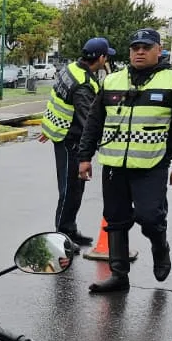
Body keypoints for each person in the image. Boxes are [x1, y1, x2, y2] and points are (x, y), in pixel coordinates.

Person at [78, 29, 172, 294]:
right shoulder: (112, 81)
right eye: (135, 47)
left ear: (159, 50)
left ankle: (160, 246)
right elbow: (94, 122)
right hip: (114, 165)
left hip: (151, 164)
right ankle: (119, 275)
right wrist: (84, 157)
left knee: (150, 217)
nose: (140, 52)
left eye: (146, 47)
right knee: (115, 219)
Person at [37, 37, 115, 245]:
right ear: (101, 58)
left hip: (60, 134)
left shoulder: (71, 68)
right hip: (69, 140)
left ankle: (69, 229)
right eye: (106, 57)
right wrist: (97, 147)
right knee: (70, 190)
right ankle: (62, 236)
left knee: (74, 189)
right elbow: (88, 121)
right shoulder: (83, 85)